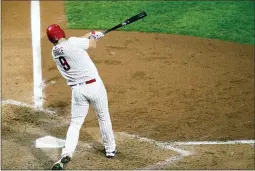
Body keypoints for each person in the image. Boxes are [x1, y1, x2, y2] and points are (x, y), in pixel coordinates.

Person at [46, 24, 116, 170]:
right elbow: (91, 44)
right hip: (94, 87)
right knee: (103, 117)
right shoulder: (72, 42)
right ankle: (110, 150)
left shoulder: (55, 51)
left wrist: (91, 33)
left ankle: (67, 153)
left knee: (75, 123)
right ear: (61, 33)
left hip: (77, 91)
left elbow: (76, 41)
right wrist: (94, 37)